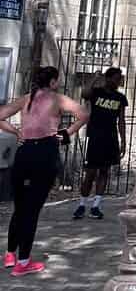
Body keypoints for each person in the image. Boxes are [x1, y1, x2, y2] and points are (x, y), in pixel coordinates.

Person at [0, 66, 88, 276]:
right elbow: (83, 114)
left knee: (20, 207)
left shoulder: (26, 99)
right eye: (57, 80)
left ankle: (10, 254)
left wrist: (16, 131)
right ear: (52, 82)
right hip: (45, 152)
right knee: (32, 210)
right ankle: (23, 262)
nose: (58, 83)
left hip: (24, 152)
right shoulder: (58, 99)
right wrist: (66, 133)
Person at [73, 66, 127, 220]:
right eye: (116, 78)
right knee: (90, 173)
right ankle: (82, 204)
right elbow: (84, 93)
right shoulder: (97, 93)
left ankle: (96, 206)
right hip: (95, 137)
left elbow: (121, 121)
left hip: (110, 139)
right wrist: (95, 78)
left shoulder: (120, 98)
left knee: (104, 171)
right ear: (108, 78)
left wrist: (123, 140)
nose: (118, 81)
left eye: (119, 78)